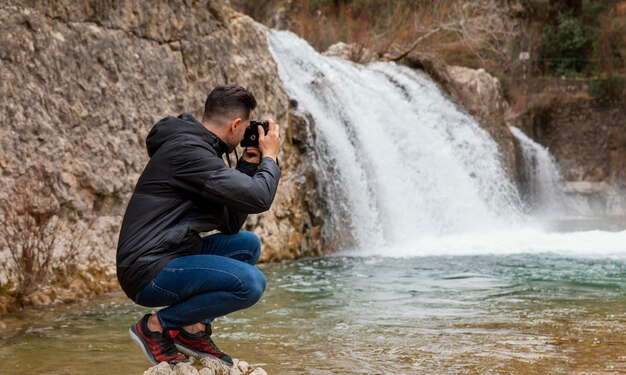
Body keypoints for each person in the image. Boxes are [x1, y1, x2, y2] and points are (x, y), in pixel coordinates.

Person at [116, 84, 281, 366]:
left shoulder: (202, 152)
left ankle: (191, 329)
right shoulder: (189, 153)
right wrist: (270, 157)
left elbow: (229, 224)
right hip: (147, 268)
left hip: (171, 252)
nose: (245, 135)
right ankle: (155, 327)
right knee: (250, 283)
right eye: (246, 128)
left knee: (246, 245)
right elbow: (260, 198)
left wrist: (250, 164)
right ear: (236, 124)